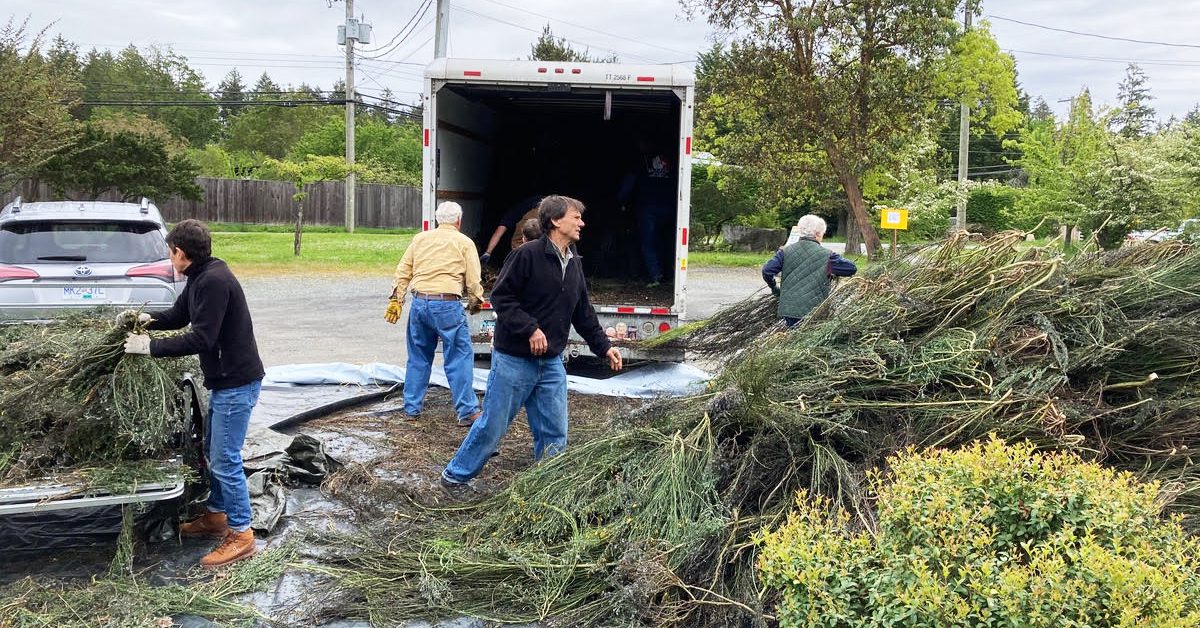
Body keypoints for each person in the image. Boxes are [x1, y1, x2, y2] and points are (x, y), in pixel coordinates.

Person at [441, 195, 622, 493]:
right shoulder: (527, 255)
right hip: (514, 360)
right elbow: (501, 297)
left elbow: (583, 312)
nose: (582, 223)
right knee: (493, 426)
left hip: (551, 362)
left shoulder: (573, 261)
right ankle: (455, 476)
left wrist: (604, 347)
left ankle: (547, 485)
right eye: (576, 217)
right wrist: (530, 329)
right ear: (555, 221)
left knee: (554, 431)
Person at [120, 219, 265, 568]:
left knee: (225, 459)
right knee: (215, 452)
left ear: (181, 253)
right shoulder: (202, 276)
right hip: (223, 381)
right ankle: (217, 515)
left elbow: (202, 338)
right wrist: (144, 320)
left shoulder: (214, 281)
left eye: (170, 253)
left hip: (236, 383)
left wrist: (149, 348)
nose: (170, 259)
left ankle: (242, 534)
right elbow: (179, 314)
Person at [386, 201, 485, 426]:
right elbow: (473, 278)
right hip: (447, 305)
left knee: (418, 357)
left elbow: (403, 270)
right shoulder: (464, 242)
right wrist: (475, 300)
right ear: (459, 221)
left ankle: (411, 408)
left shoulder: (420, 239)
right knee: (458, 357)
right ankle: (468, 411)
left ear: (438, 219)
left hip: (420, 303)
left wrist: (396, 299)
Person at [761, 214, 858, 327]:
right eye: (822, 234)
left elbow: (767, 271)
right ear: (817, 234)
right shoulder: (827, 255)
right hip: (814, 310)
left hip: (789, 309)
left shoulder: (785, 252)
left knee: (793, 338)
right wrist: (832, 270)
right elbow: (851, 268)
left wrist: (774, 287)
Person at [618, 141, 677, 286]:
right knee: (664, 241)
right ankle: (667, 274)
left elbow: (629, 184)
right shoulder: (669, 160)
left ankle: (656, 276)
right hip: (669, 207)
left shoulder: (640, 161)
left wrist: (621, 201)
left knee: (648, 243)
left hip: (648, 208)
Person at [480, 194, 543, 264]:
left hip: (542, 208)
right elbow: (499, 232)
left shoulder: (515, 213)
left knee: (518, 243)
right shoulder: (511, 215)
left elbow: (498, 232)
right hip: (547, 208)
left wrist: (488, 252)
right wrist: (488, 252)